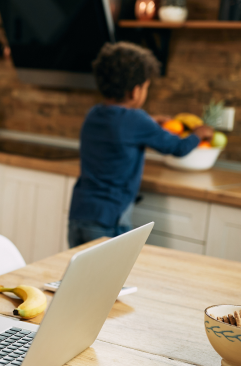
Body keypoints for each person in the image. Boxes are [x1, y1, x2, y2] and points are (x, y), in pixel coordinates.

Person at [68, 42, 213, 248]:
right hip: (110, 221)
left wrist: (151, 122)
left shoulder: (94, 114)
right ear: (135, 92)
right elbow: (178, 148)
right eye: (146, 87)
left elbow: (119, 125)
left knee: (82, 277)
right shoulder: (137, 120)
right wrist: (198, 134)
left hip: (79, 215)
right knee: (111, 278)